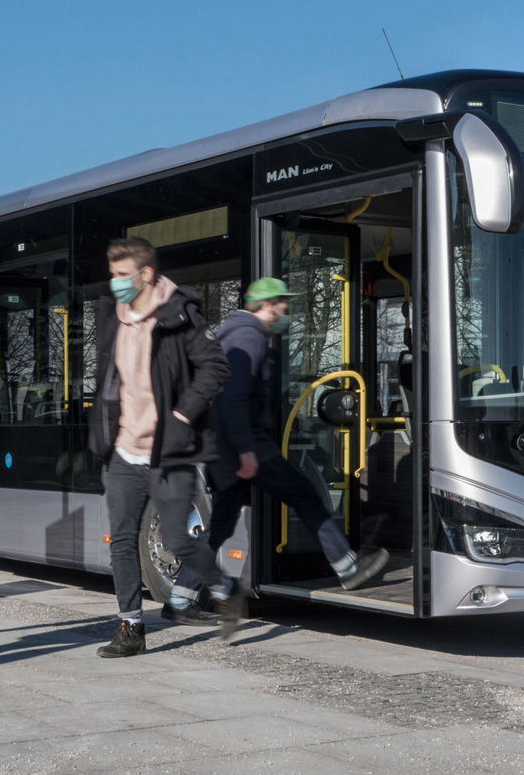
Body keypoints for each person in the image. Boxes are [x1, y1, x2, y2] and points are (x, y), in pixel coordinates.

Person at [173, 277, 389, 605]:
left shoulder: (240, 334)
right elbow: (233, 399)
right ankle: (347, 567)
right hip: (248, 448)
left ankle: (179, 598)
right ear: (268, 305)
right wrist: (247, 451)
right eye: (283, 303)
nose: (287, 309)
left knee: (220, 525)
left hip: (230, 448)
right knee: (304, 494)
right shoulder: (248, 336)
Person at [87, 236, 239, 657]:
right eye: (112, 274)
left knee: (177, 538)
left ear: (146, 274)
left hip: (169, 450)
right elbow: (107, 381)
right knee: (120, 540)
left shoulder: (179, 315)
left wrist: (182, 415)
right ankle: (130, 628)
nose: (114, 283)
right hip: (123, 450)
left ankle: (225, 587)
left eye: (121, 275)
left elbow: (215, 366)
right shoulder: (112, 318)